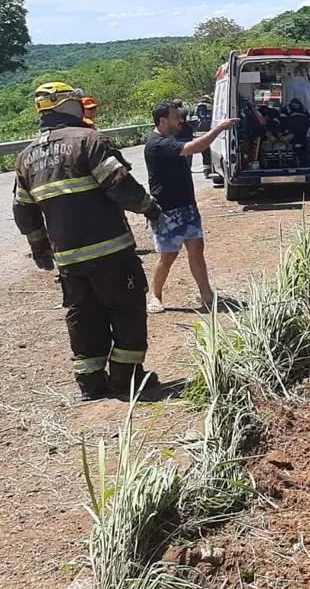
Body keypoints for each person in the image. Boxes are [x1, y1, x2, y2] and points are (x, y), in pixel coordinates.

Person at [12, 82, 163, 401]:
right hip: (111, 253)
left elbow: (24, 211)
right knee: (127, 312)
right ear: (70, 106)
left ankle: (91, 384)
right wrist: (150, 208)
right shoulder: (87, 141)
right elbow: (120, 186)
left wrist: (40, 249)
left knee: (84, 318)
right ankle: (127, 380)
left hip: (69, 262)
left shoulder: (26, 158)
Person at [144, 100, 238, 313]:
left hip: (187, 207)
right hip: (167, 211)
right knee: (168, 256)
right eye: (176, 118)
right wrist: (219, 128)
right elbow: (195, 147)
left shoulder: (168, 139)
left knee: (196, 250)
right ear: (162, 120)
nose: (181, 121)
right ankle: (155, 296)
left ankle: (207, 296)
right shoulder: (157, 143)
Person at [195, 97, 213, 175]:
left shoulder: (196, 108)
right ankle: (212, 167)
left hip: (200, 130)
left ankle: (206, 169)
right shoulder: (211, 107)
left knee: (204, 151)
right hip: (210, 130)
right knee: (211, 150)